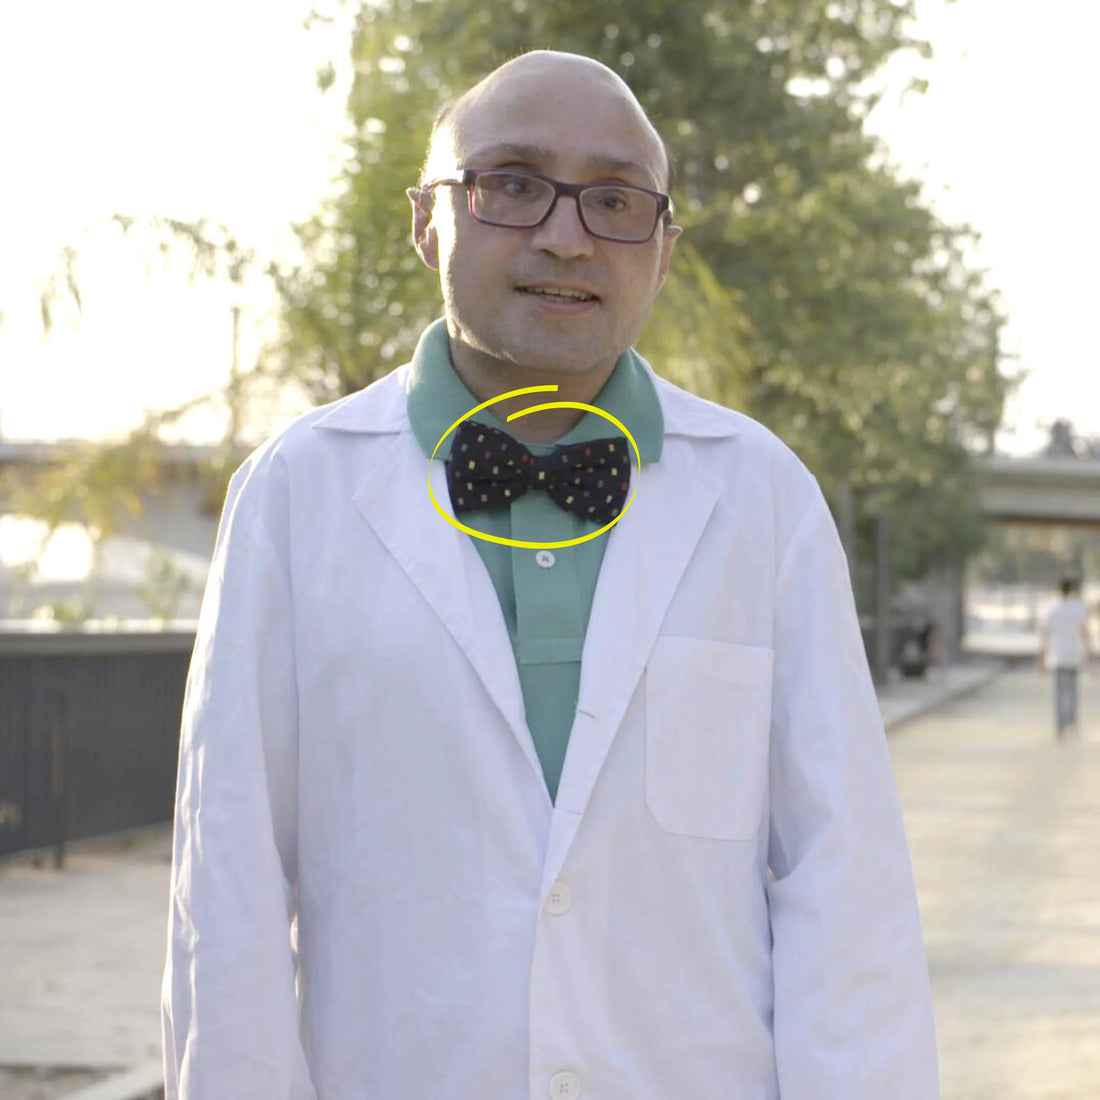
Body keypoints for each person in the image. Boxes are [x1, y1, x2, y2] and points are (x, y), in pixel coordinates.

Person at [161, 50, 938, 1099]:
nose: (566, 235)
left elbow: (845, 884)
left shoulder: (763, 498)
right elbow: (229, 890)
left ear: (662, 250)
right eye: (513, 183)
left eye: (614, 200)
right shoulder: (295, 495)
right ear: (427, 218)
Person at [1040, 577, 1091, 737]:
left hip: (1057, 656)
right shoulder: (1079, 608)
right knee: (1073, 692)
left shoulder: (1052, 609)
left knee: (1059, 694)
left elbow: (1045, 634)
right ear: (1072, 590)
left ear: (1059, 590)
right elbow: (1085, 633)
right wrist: (1089, 654)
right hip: (1073, 656)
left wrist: (1042, 658)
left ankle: (1060, 725)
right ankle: (1072, 722)